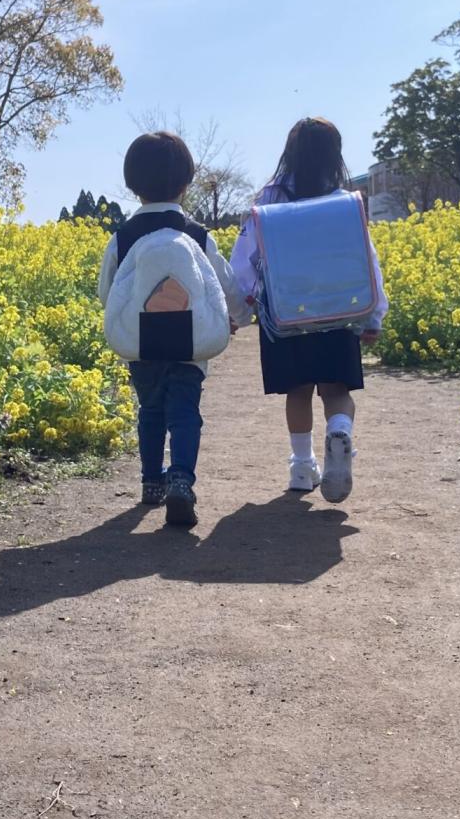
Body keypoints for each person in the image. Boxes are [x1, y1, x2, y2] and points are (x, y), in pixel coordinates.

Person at [98, 131, 251, 528]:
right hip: (190, 344)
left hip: (142, 346)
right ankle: (180, 478)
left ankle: (151, 482)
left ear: (132, 183)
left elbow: (108, 292)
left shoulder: (123, 237)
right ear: (186, 184)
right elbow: (224, 285)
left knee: (149, 410)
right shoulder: (198, 235)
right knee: (185, 412)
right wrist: (239, 317)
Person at [231, 117, 386, 503]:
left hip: (286, 316)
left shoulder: (266, 202)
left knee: (297, 393)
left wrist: (241, 309)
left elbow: (244, 261)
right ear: (335, 157)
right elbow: (367, 260)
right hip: (339, 312)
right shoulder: (343, 202)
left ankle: (302, 467)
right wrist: (374, 313)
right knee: (337, 390)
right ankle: (340, 431)